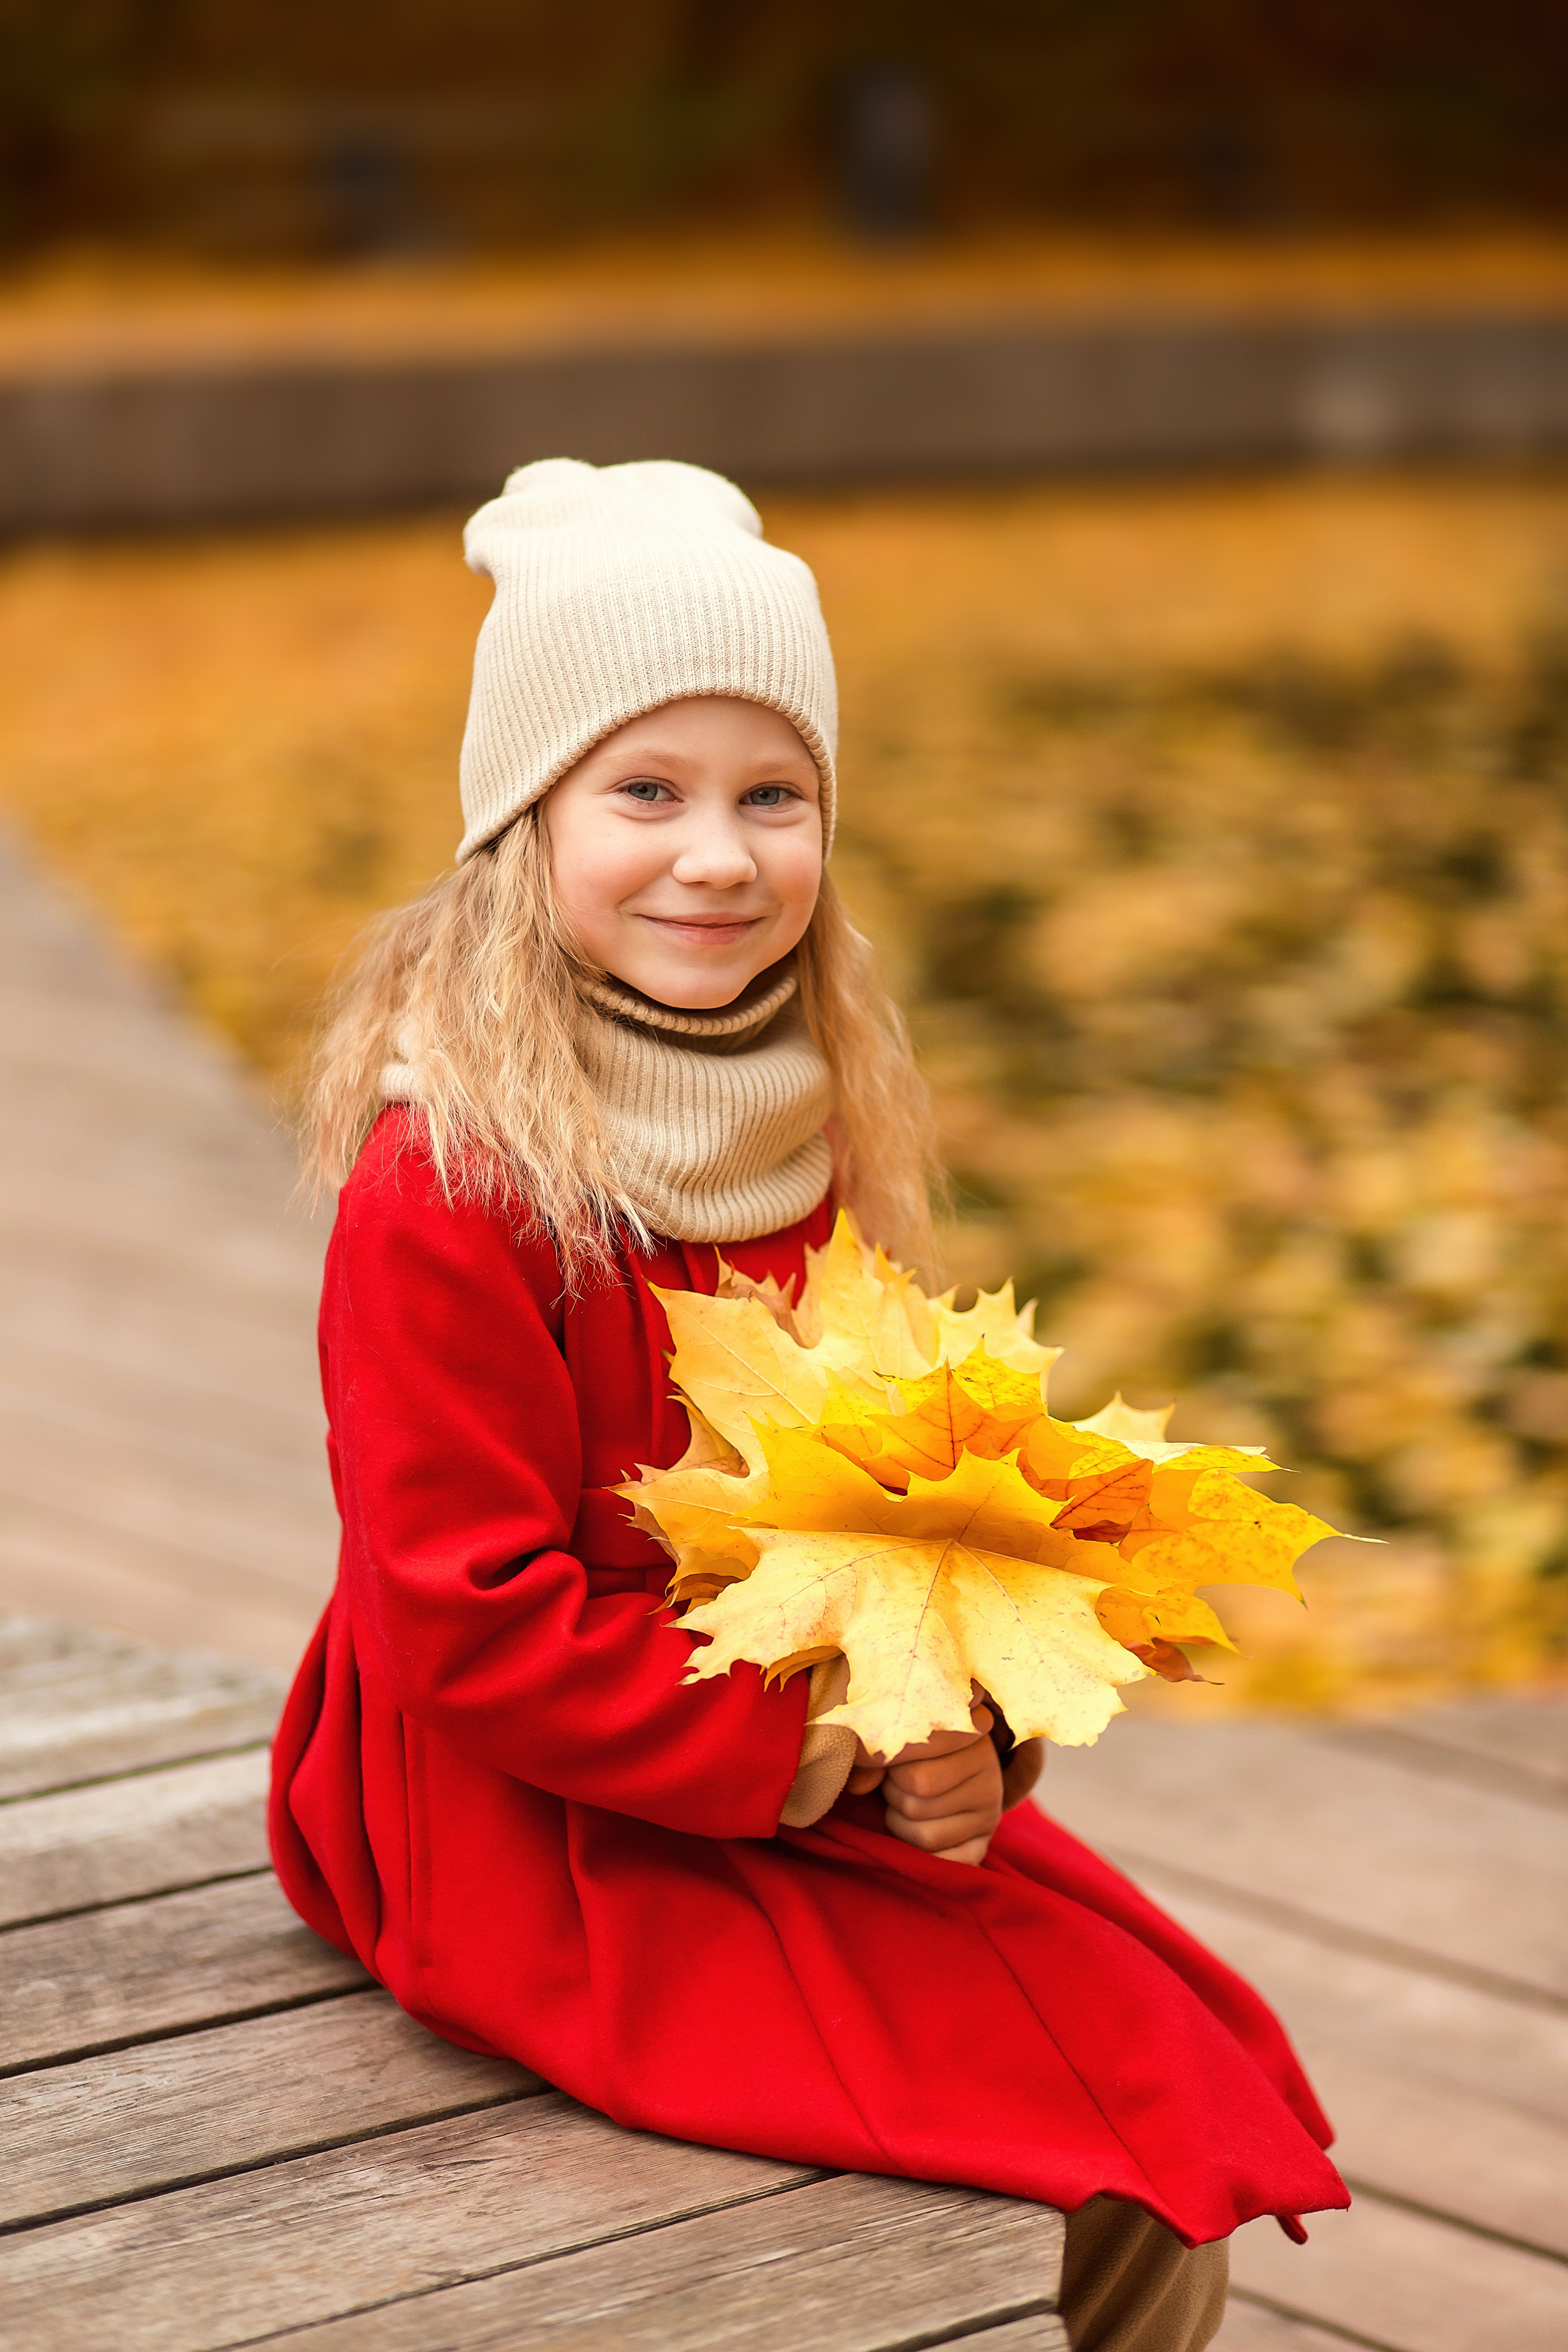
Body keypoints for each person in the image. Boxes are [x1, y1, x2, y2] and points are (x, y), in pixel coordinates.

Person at [269, 458, 1348, 2351]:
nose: (719, 854)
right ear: (527, 818)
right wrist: (809, 1756)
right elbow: (463, 1609)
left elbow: (876, 1494)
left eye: (776, 795)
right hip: (536, 1788)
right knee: (1089, 2112)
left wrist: (960, 1729)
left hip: (787, 1719)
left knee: (1176, 2030)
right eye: (647, 793)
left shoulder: (798, 1105)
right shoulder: (448, 1186)